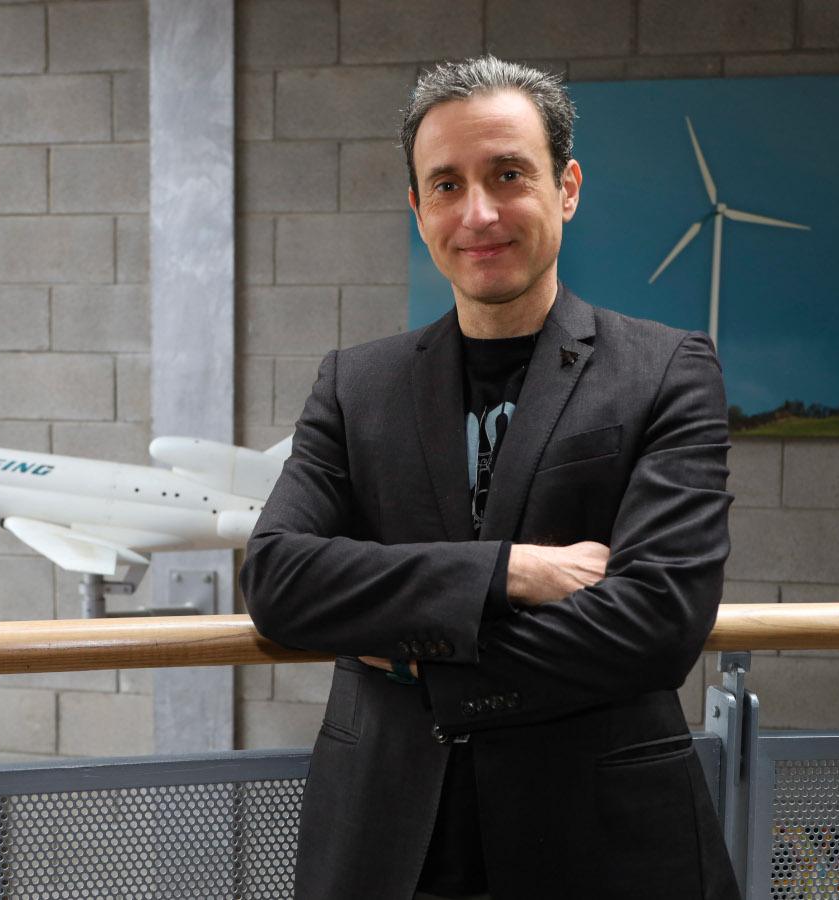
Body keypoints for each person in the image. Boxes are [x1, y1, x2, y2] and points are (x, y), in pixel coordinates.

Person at [240, 55, 739, 900]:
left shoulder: (666, 371)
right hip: (385, 843)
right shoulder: (354, 384)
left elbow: (657, 622)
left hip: (601, 843)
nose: (478, 213)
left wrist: (408, 659)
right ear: (417, 206)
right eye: (446, 185)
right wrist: (509, 570)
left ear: (566, 186)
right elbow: (279, 579)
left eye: (509, 175)